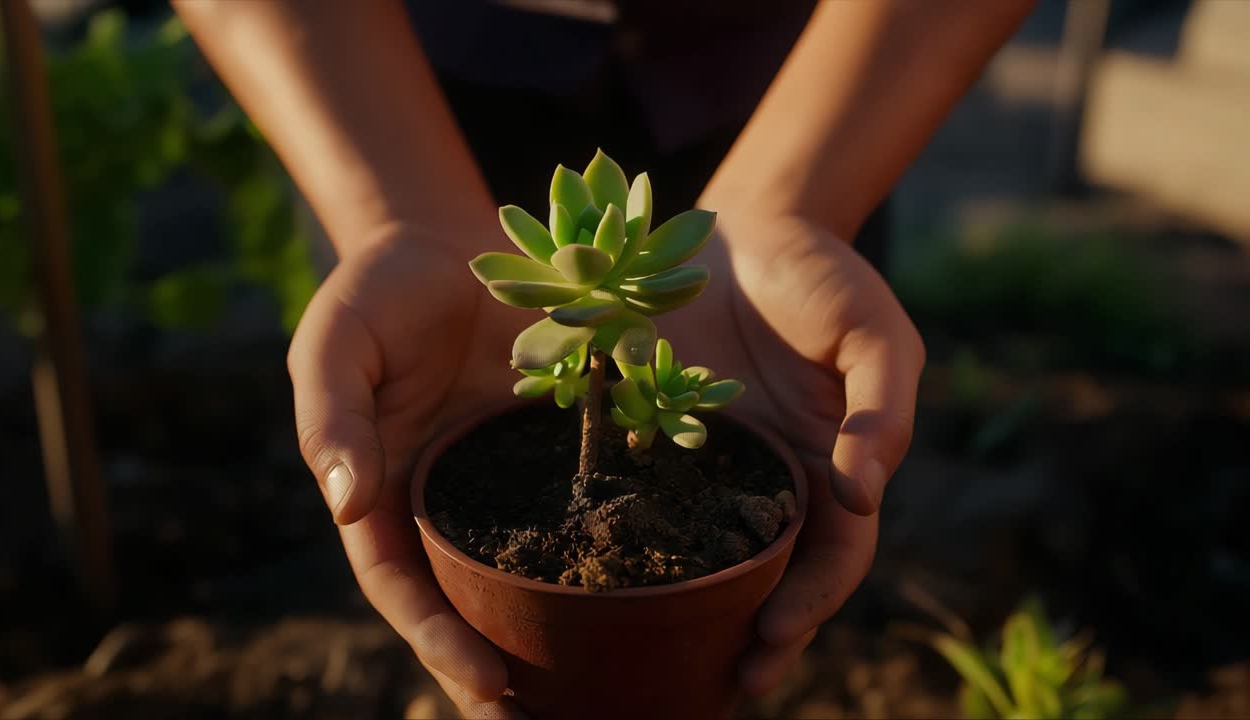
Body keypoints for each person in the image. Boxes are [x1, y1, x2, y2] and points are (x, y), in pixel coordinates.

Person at [172, 1, 1036, 716]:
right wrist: (396, 216)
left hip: (830, 71)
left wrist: (797, 205)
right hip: (377, 76)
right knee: (445, 621)